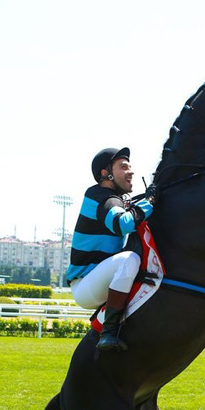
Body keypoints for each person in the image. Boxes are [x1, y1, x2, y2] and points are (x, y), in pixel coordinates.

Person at [66, 147, 153, 352]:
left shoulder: (117, 200)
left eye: (130, 167)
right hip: (84, 285)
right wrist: (151, 202)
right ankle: (109, 330)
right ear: (106, 174)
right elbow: (122, 223)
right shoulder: (98, 195)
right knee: (129, 260)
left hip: (101, 280)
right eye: (123, 167)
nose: (130, 171)